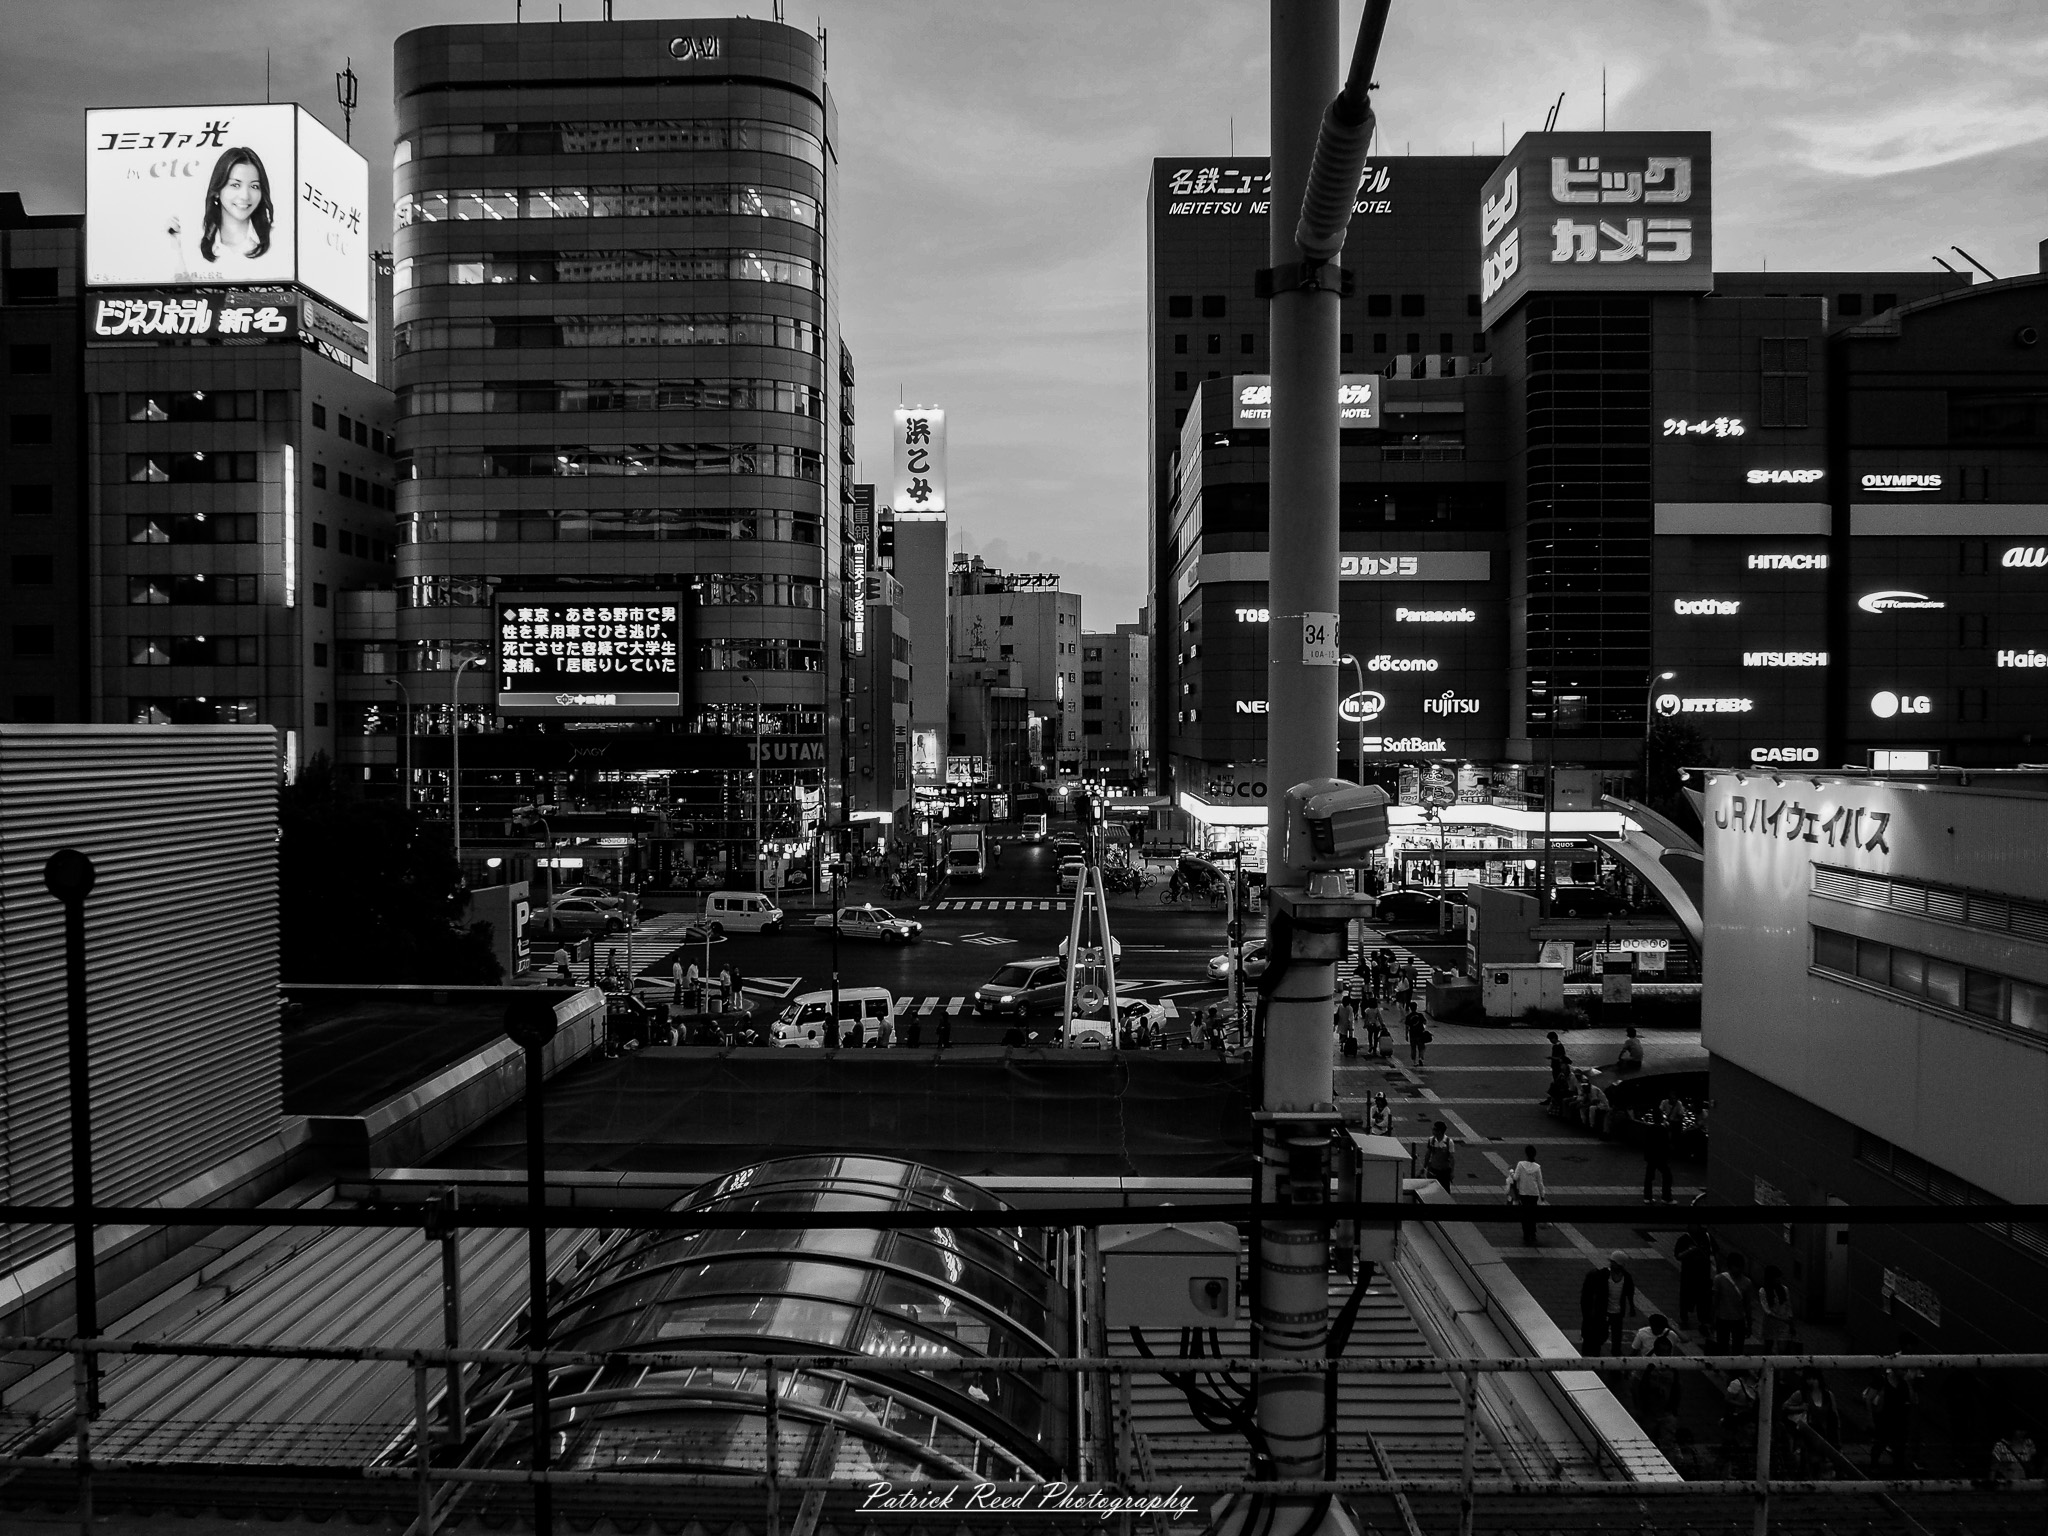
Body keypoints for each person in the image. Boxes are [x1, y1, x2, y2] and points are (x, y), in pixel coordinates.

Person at [167, 146, 276, 278]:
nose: (245, 196)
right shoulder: (192, 242)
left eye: (254, 186)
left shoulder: (277, 240)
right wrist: (175, 244)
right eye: (235, 185)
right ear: (217, 191)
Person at [1579, 1253, 1634, 1358]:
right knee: (1601, 1334)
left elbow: (1629, 1292)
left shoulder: (1626, 1278)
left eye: (1614, 1263)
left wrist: (1631, 1306)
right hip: (1604, 1312)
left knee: (1617, 1335)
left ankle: (1615, 1354)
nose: (1612, 1265)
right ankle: (1596, 1351)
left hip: (1617, 1313)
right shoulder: (1602, 1275)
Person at [1674, 1226, 1718, 1334]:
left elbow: (1715, 1253)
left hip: (1704, 1274)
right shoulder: (1684, 1239)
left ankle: (1703, 1320)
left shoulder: (1708, 1237)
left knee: (1704, 1298)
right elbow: (1678, 1256)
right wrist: (1690, 1251)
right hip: (1688, 1274)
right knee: (1686, 1296)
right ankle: (1685, 1317)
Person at [1712, 1253, 1755, 1356]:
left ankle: (1734, 1367)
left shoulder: (1747, 1282)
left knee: (1738, 1347)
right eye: (1737, 1266)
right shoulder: (1719, 1279)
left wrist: (1749, 1323)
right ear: (1730, 1266)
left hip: (1738, 1319)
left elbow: (1748, 1305)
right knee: (1723, 1345)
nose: (1739, 1269)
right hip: (1723, 1318)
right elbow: (1715, 1301)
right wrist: (1712, 1319)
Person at [1504, 1145, 1546, 1245]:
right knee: (1533, 1213)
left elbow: (1515, 1177)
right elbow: (1540, 1183)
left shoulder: (1521, 1164)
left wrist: (1511, 1172)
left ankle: (1526, 1234)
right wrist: (1542, 1194)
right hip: (1534, 1193)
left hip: (1523, 1193)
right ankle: (1533, 1233)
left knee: (1524, 1214)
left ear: (1526, 1154)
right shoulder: (1537, 1167)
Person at [1756, 1266, 1796, 1354]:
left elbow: (1788, 1306)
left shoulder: (1784, 1289)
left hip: (1783, 1323)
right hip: (1770, 1323)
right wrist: (1784, 1319)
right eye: (1777, 1277)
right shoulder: (1763, 1291)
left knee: (1782, 1348)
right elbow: (1767, 1310)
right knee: (1768, 1347)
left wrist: (1790, 1320)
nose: (1779, 1280)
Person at [1641, 1101, 1675, 1202]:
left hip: (1651, 1156)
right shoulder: (1663, 1129)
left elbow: (1646, 1143)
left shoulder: (1650, 1128)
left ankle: (1647, 1197)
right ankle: (1666, 1197)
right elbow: (1666, 1143)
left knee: (1649, 1177)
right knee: (1667, 1176)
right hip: (1660, 1157)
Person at [1421, 1121, 1456, 1188]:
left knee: (1445, 1191)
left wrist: (1452, 1172)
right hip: (1433, 1170)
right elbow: (1428, 1154)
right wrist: (1424, 1167)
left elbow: (1452, 1158)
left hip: (1444, 1172)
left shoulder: (1449, 1142)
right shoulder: (1431, 1140)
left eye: (1434, 1129)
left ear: (1439, 1131)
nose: (1432, 1130)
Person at [1404, 1003, 1431, 1067]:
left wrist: (1406, 1035)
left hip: (1412, 1034)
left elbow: (1407, 1027)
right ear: (1416, 1007)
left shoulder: (1408, 1017)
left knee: (1413, 1048)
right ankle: (1420, 1058)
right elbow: (1425, 1022)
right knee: (1421, 1047)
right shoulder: (1420, 1015)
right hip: (1420, 1034)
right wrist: (1423, 1028)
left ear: (1410, 1008)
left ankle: (1414, 1062)